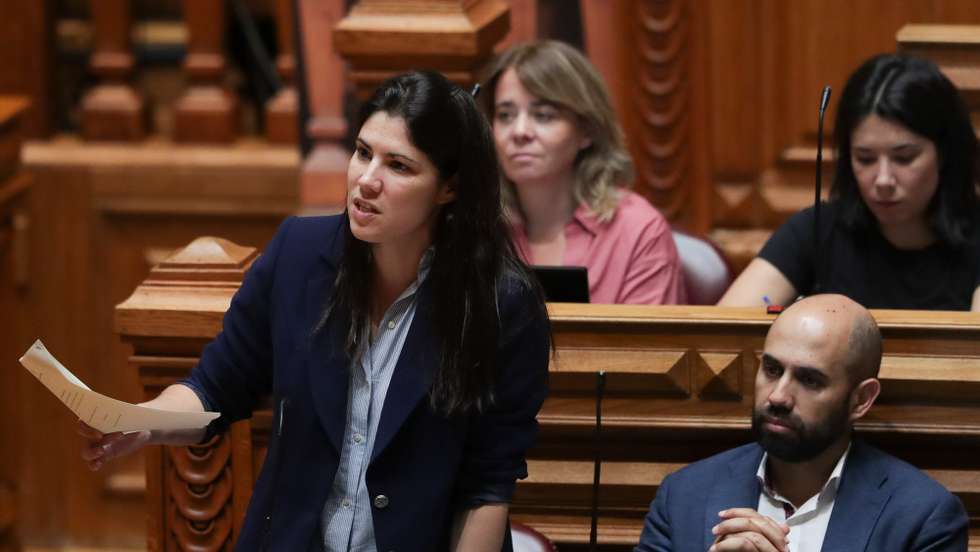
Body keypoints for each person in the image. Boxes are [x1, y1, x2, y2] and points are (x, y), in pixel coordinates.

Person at [78, 71, 551, 552]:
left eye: (399, 167)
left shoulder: (502, 303)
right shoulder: (299, 255)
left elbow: (486, 489)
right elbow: (215, 388)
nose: (367, 181)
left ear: (448, 188)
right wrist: (140, 420)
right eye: (363, 153)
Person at [635, 294, 968, 552]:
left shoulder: (923, 518)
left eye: (809, 380)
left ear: (860, 400)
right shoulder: (684, 496)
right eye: (772, 370)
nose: (778, 397)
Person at [719, 53, 980, 310]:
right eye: (865, 159)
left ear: (945, 153)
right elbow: (724, 334)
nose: (883, 180)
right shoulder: (817, 231)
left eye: (904, 158)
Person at [482, 40, 687, 304]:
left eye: (543, 115)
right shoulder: (480, 228)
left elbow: (646, 345)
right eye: (505, 115)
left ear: (587, 129)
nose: (519, 131)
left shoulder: (638, 231)